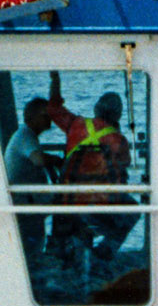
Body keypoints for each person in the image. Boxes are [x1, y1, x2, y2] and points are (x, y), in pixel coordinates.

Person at [45, 73, 136, 271]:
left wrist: (56, 81)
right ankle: (103, 253)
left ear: (96, 109)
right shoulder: (119, 140)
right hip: (101, 206)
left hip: (68, 200)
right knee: (134, 211)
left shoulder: (74, 124)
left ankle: (68, 252)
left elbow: (52, 109)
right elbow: (123, 171)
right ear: (117, 115)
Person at [3, 98, 54, 276]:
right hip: (24, 204)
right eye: (47, 115)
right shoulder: (25, 136)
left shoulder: (26, 136)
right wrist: (57, 160)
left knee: (35, 243)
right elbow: (38, 160)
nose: (51, 120)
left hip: (28, 202)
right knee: (32, 247)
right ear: (36, 117)